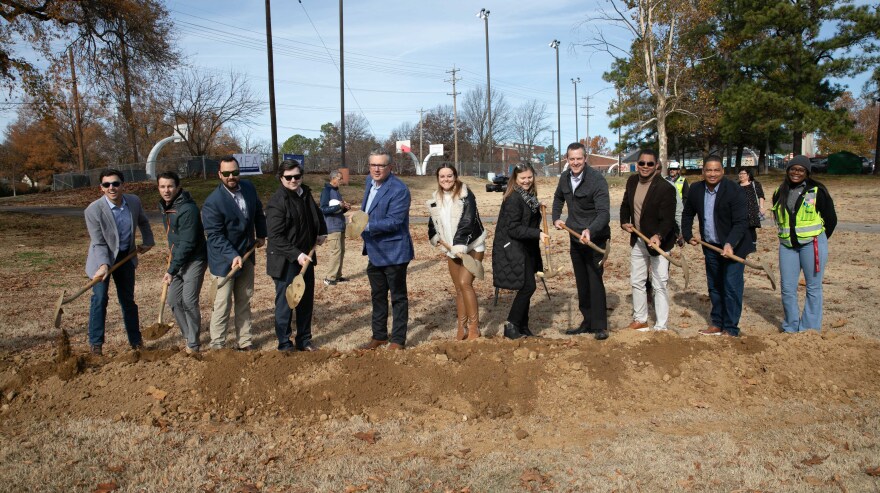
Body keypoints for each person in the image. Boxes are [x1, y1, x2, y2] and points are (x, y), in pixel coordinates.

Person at [84, 168, 154, 355]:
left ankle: (136, 342)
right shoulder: (93, 210)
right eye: (107, 185)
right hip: (101, 260)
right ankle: (96, 345)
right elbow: (98, 242)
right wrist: (103, 265)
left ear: (123, 185)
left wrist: (148, 241)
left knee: (128, 301)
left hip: (125, 257)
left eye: (115, 183)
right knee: (99, 299)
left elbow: (144, 222)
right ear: (101, 188)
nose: (111, 188)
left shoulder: (133, 201)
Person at [681, 155, 752, 337]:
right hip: (710, 246)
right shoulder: (696, 189)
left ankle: (731, 328)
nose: (712, 174)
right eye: (709, 170)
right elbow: (687, 213)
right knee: (714, 286)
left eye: (716, 170)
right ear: (703, 171)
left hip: (734, 247)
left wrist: (730, 243)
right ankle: (717, 323)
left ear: (723, 171)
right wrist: (688, 235)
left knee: (731, 286)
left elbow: (741, 222)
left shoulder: (734, 190)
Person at [202, 156, 267, 351]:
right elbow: (214, 236)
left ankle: (245, 342)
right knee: (222, 304)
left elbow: (257, 211)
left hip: (246, 254)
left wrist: (261, 234)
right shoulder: (213, 202)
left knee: (244, 300)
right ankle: (217, 344)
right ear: (220, 174)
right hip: (223, 261)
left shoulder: (248, 188)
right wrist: (232, 255)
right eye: (227, 173)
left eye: (235, 173)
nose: (232, 177)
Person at [770, 155, 837, 333]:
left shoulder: (817, 190)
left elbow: (831, 219)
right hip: (787, 246)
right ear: (788, 170)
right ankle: (791, 326)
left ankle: (809, 328)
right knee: (787, 288)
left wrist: (819, 240)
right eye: (793, 169)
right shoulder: (779, 192)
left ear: (807, 172)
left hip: (812, 244)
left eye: (800, 170)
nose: (796, 173)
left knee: (813, 287)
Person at [265, 160, 327, 351]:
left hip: (306, 258)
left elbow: (317, 215)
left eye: (297, 176)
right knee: (286, 303)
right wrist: (296, 254)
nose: (293, 180)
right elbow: (274, 236)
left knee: (306, 301)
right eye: (288, 177)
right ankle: (284, 343)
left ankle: (304, 340)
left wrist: (322, 232)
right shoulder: (277, 202)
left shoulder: (305, 193)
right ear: (281, 178)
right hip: (286, 260)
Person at [552, 142, 611, 340]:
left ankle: (600, 325)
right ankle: (587, 321)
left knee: (595, 279)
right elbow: (558, 198)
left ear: (585, 159)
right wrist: (556, 217)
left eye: (579, 158)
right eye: (572, 159)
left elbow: (604, 213)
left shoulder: (597, 180)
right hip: (574, 236)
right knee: (582, 281)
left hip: (595, 238)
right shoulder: (564, 177)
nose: (575, 162)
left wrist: (590, 230)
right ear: (567, 160)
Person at [359, 150, 414, 350]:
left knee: (398, 297)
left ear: (390, 167)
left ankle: (398, 340)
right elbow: (369, 209)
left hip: (395, 252)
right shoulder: (369, 182)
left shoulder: (399, 189)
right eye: (373, 164)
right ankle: (379, 336)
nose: (376, 169)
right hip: (374, 251)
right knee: (378, 296)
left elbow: (395, 221)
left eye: (381, 165)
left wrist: (366, 226)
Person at [619, 149, 678, 332]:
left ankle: (661, 325)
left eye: (650, 164)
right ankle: (640, 320)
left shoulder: (666, 188)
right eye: (642, 163)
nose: (645, 167)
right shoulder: (632, 181)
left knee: (660, 284)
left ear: (656, 166)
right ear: (637, 164)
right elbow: (625, 205)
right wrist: (624, 222)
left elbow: (668, 219)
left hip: (659, 243)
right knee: (637, 281)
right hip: (638, 239)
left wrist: (658, 235)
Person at [427, 164, 487, 340]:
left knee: (464, 283)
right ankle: (462, 327)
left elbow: (467, 221)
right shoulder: (435, 198)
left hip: (472, 246)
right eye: (442, 177)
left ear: (455, 176)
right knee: (458, 289)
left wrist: (459, 245)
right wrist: (435, 236)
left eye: (449, 176)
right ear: (438, 179)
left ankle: (474, 328)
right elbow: (434, 222)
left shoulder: (466, 196)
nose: (446, 179)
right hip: (451, 249)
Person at [493, 163, 547, 339]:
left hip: (525, 247)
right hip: (512, 247)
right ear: (515, 179)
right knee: (528, 286)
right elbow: (513, 228)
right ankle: (512, 324)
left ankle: (523, 326)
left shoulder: (528, 196)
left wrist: (539, 207)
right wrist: (537, 234)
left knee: (528, 286)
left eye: (529, 177)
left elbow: (528, 219)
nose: (527, 181)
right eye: (523, 178)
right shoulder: (514, 198)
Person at [157, 171, 207, 354]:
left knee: (188, 300)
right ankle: (188, 335)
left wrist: (171, 270)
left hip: (195, 258)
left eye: (170, 186)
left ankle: (193, 344)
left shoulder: (188, 209)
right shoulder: (166, 206)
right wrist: (172, 259)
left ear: (178, 187)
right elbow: (175, 238)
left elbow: (187, 243)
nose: (166, 190)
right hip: (178, 258)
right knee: (173, 300)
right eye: (162, 186)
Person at [319, 169, 350, 286]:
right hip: (332, 227)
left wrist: (345, 207)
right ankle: (329, 278)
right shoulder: (326, 191)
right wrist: (339, 205)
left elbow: (338, 209)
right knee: (335, 252)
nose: (341, 180)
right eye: (340, 178)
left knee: (341, 251)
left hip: (340, 225)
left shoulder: (336, 191)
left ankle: (337, 275)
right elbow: (323, 209)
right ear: (333, 179)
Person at [738, 167, 765, 246]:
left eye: (743, 174)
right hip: (740, 210)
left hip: (752, 210)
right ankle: (743, 244)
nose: (741, 175)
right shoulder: (736, 186)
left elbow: (761, 196)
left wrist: (761, 207)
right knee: (741, 227)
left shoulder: (755, 184)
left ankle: (753, 244)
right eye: (740, 174)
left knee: (751, 228)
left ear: (748, 175)